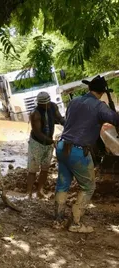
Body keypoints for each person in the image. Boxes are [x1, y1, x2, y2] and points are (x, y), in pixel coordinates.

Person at [54, 75, 119, 233]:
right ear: (103, 92)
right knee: (89, 187)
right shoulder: (99, 106)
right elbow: (115, 119)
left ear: (89, 88)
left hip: (62, 147)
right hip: (77, 150)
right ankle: (76, 223)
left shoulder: (74, 101)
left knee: (62, 184)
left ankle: (58, 221)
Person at [27, 92, 65, 200]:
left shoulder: (53, 106)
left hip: (48, 143)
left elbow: (60, 118)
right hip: (36, 143)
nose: (47, 106)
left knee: (45, 168)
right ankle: (28, 193)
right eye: (45, 104)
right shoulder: (35, 113)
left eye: (48, 103)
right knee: (33, 169)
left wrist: (67, 125)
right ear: (39, 104)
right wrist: (52, 141)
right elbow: (38, 133)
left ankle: (40, 191)